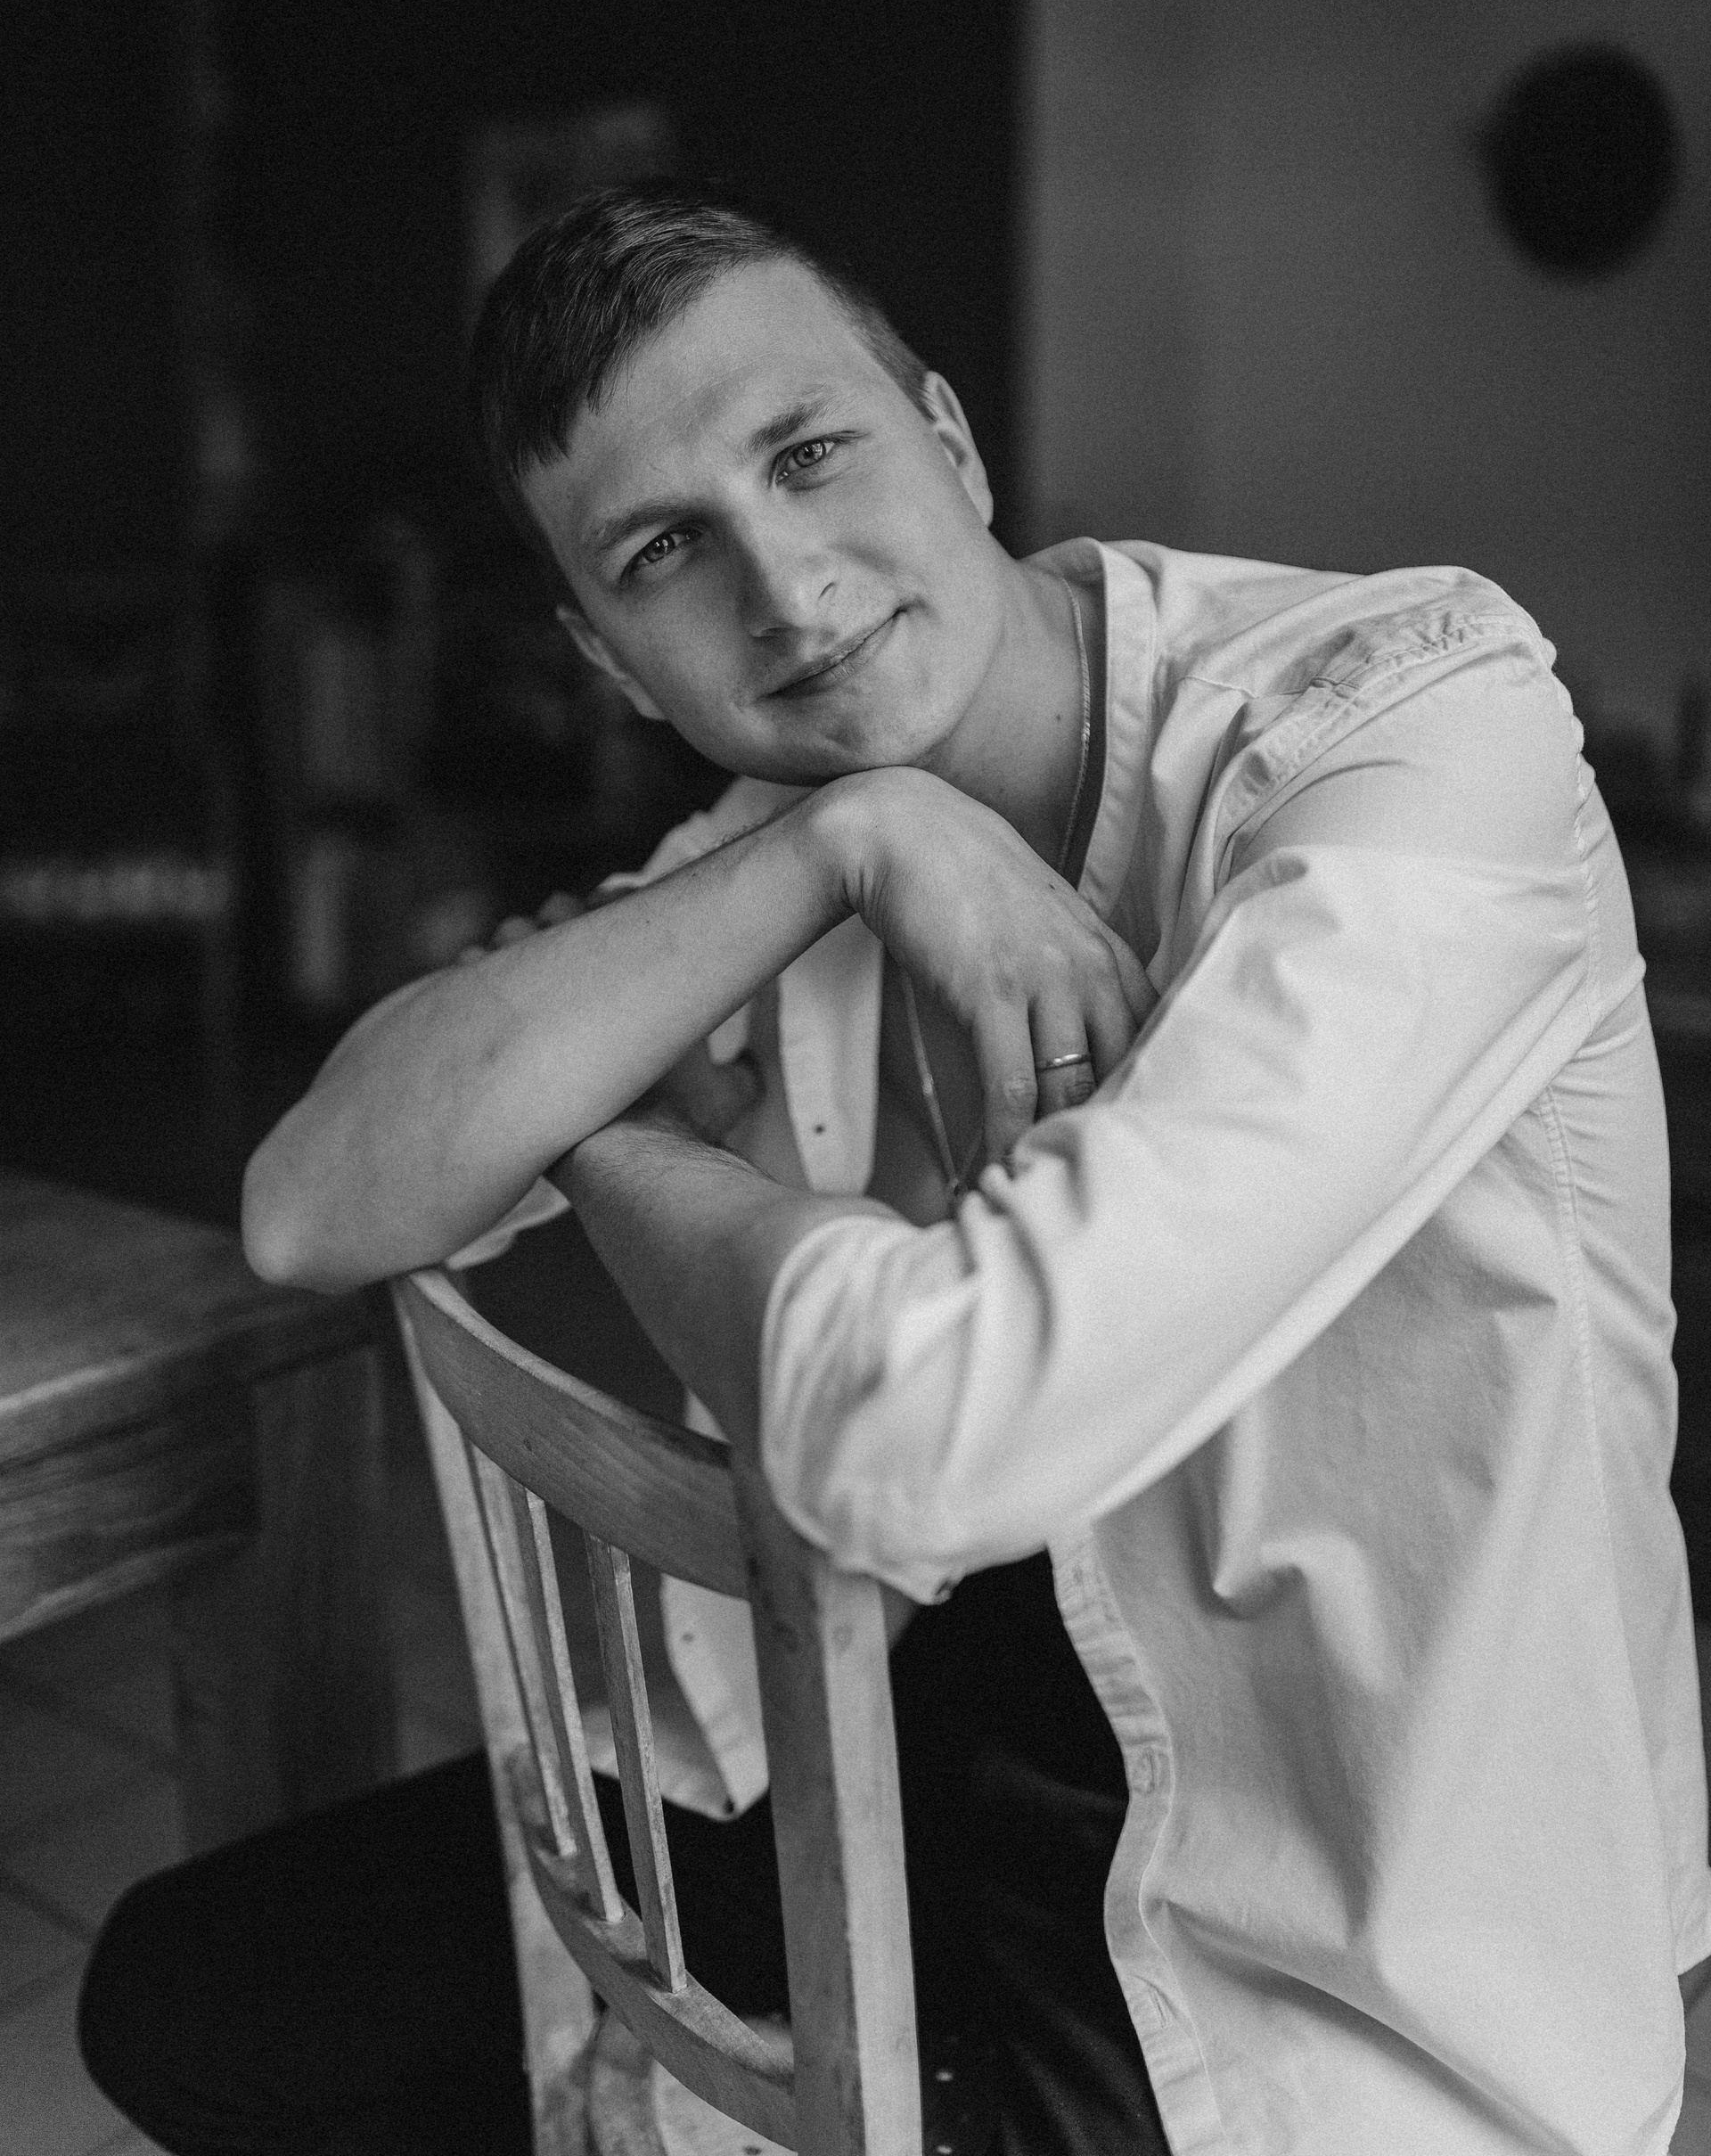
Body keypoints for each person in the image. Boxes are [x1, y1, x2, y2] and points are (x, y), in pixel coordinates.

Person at [82, 184, 1705, 2155]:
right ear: (609, 661)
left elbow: (935, 1431)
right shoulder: (785, 837)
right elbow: (308, 1204)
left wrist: (614, 1134)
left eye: (808, 452)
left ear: (949, 437)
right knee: (190, 1988)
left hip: (1341, 1912)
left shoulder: (1415, 729)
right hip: (935, 1752)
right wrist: (845, 847)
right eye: (666, 550)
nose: (783, 591)